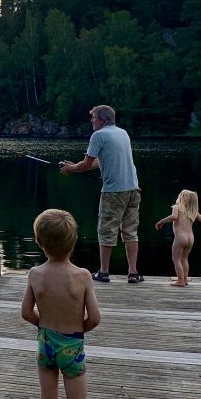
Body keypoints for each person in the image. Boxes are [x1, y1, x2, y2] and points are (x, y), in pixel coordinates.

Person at [21, 209, 104, 399]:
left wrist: (44, 327)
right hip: (71, 344)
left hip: (46, 343)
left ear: (39, 241)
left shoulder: (35, 274)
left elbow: (25, 312)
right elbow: (94, 318)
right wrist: (76, 330)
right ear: (74, 241)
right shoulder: (81, 276)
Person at [59, 105, 142, 284]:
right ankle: (133, 273)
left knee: (106, 231)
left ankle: (103, 272)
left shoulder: (99, 135)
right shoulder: (122, 133)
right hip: (133, 189)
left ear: (103, 120)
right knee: (130, 232)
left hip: (113, 193)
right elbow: (98, 161)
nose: (92, 120)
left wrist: (70, 169)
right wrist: (75, 166)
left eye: (94, 117)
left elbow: (86, 164)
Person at [154, 190, 201, 286]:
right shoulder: (193, 211)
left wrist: (161, 222)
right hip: (190, 238)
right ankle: (185, 279)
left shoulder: (177, 207)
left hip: (180, 238)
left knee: (176, 259)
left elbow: (174, 217)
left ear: (180, 198)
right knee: (184, 259)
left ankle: (180, 281)